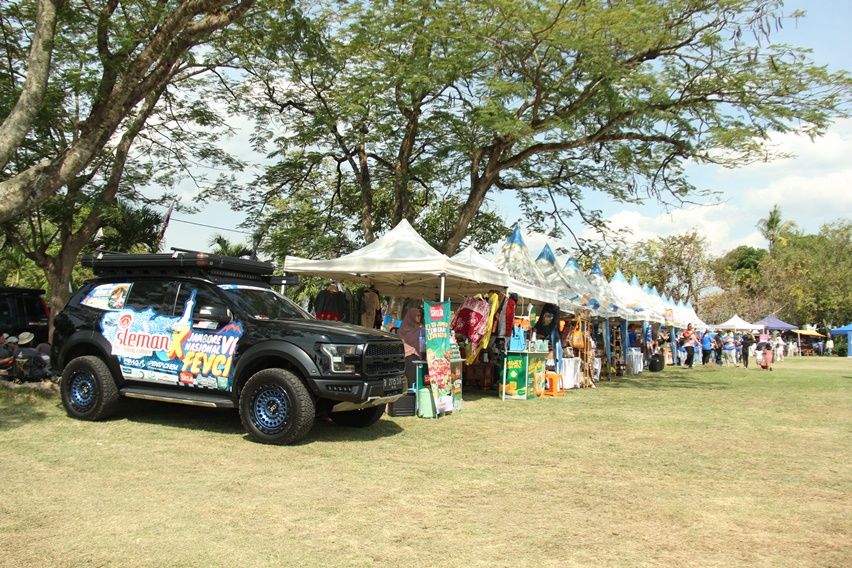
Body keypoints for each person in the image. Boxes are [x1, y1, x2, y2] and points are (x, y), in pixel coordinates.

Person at [398, 307, 425, 388]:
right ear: (411, 316)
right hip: (408, 357)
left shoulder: (420, 329)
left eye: (420, 316)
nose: (419, 318)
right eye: (417, 315)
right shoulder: (403, 329)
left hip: (420, 357)